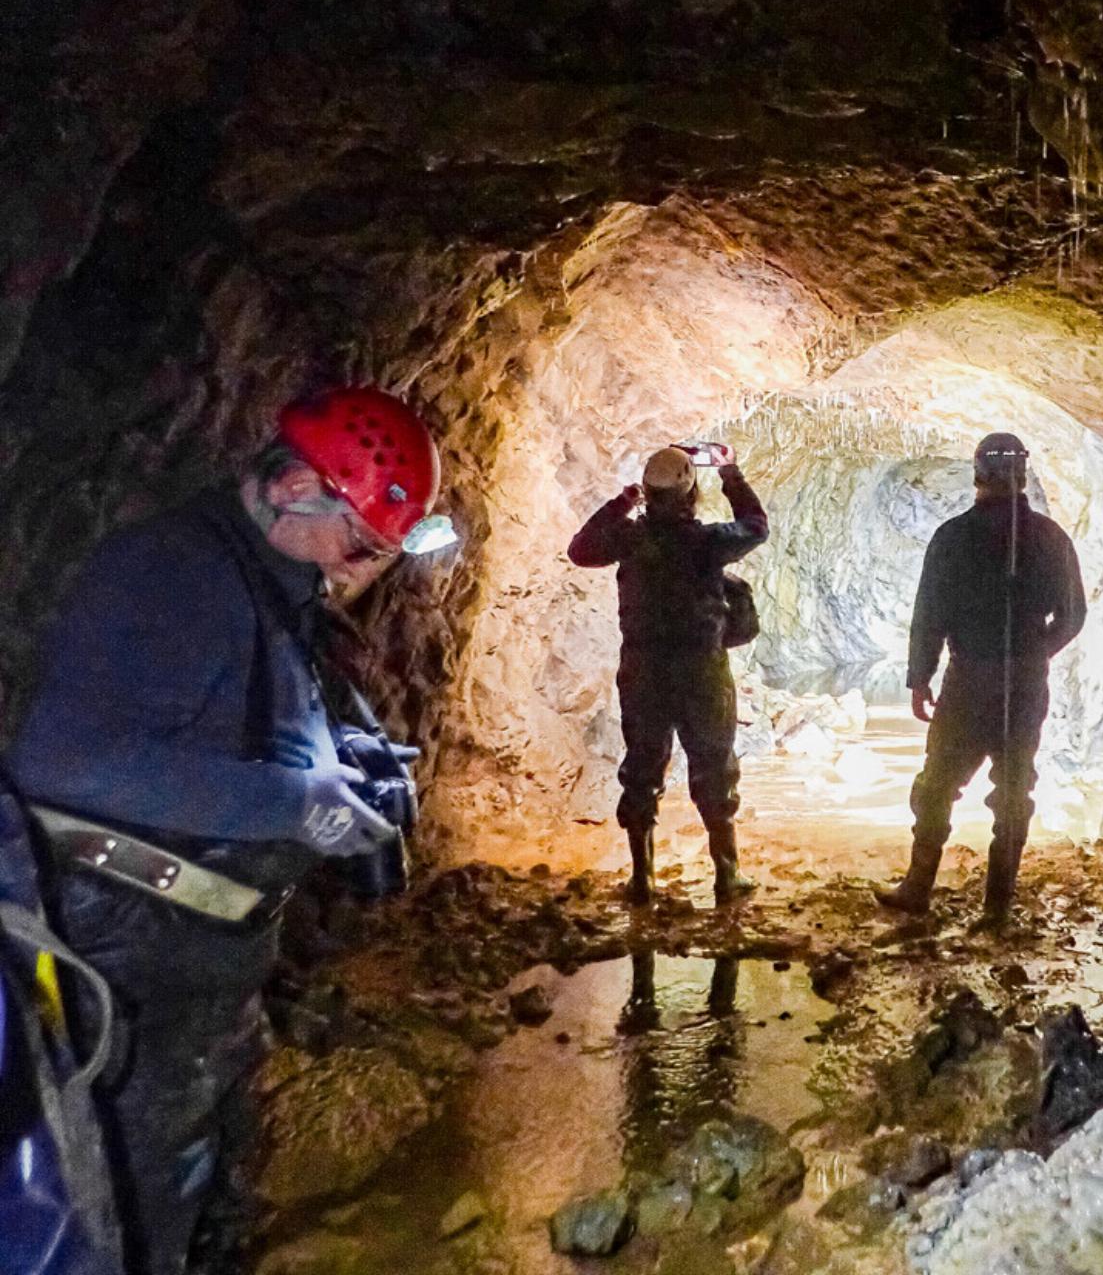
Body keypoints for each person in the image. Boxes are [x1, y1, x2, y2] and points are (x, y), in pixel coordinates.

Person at [1, 385, 455, 1275]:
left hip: (201, 966)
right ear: (291, 488)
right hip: (128, 969)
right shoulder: (170, 575)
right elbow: (65, 758)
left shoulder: (271, 584)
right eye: (359, 543)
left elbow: (249, 722)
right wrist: (296, 808)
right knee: (129, 1210)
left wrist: (347, 753)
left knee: (204, 1194)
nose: (362, 570)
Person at [877, 432, 1086, 927]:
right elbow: (1073, 615)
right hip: (1026, 684)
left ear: (978, 475)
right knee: (1014, 789)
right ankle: (997, 908)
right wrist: (1035, 653)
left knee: (937, 784)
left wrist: (919, 677)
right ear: (1022, 476)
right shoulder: (1051, 537)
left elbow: (929, 613)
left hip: (968, 679)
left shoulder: (953, 537)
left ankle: (917, 886)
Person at [567, 442, 767, 906]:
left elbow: (580, 550)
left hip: (644, 670)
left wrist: (623, 502)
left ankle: (643, 879)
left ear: (650, 494)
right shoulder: (708, 541)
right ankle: (727, 874)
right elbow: (756, 527)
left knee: (642, 768)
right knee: (715, 767)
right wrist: (731, 473)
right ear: (690, 492)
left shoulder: (630, 539)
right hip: (702, 669)